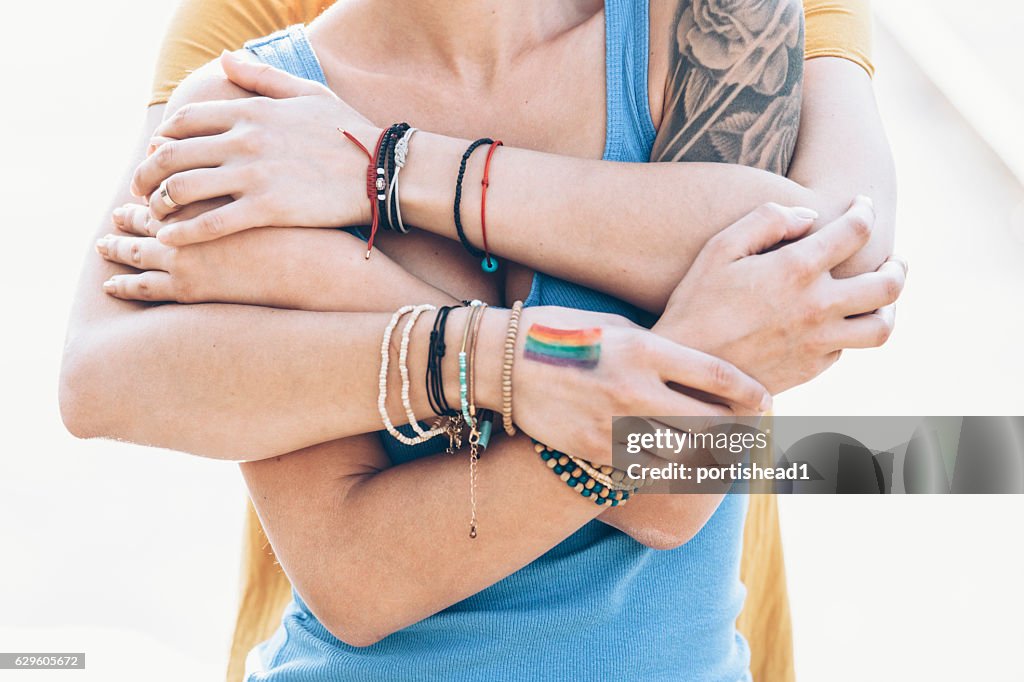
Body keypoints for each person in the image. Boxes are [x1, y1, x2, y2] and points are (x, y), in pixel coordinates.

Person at [60, 0, 903, 679]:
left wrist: (390, 174)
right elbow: (358, 581)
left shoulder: (718, 29)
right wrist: (520, 364)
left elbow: (673, 491)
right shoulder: (250, 103)